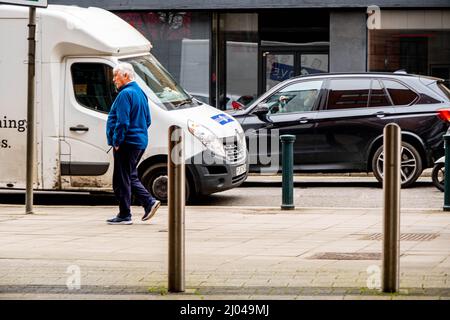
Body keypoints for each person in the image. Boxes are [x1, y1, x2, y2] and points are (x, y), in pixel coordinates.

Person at [106, 62, 160, 225]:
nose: (114, 79)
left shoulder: (125, 94)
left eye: (116, 75)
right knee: (127, 176)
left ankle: (130, 212)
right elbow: (148, 120)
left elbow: (122, 122)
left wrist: (117, 141)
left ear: (126, 75)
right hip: (138, 142)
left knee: (123, 178)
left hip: (126, 143)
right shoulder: (140, 93)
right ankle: (144, 205)